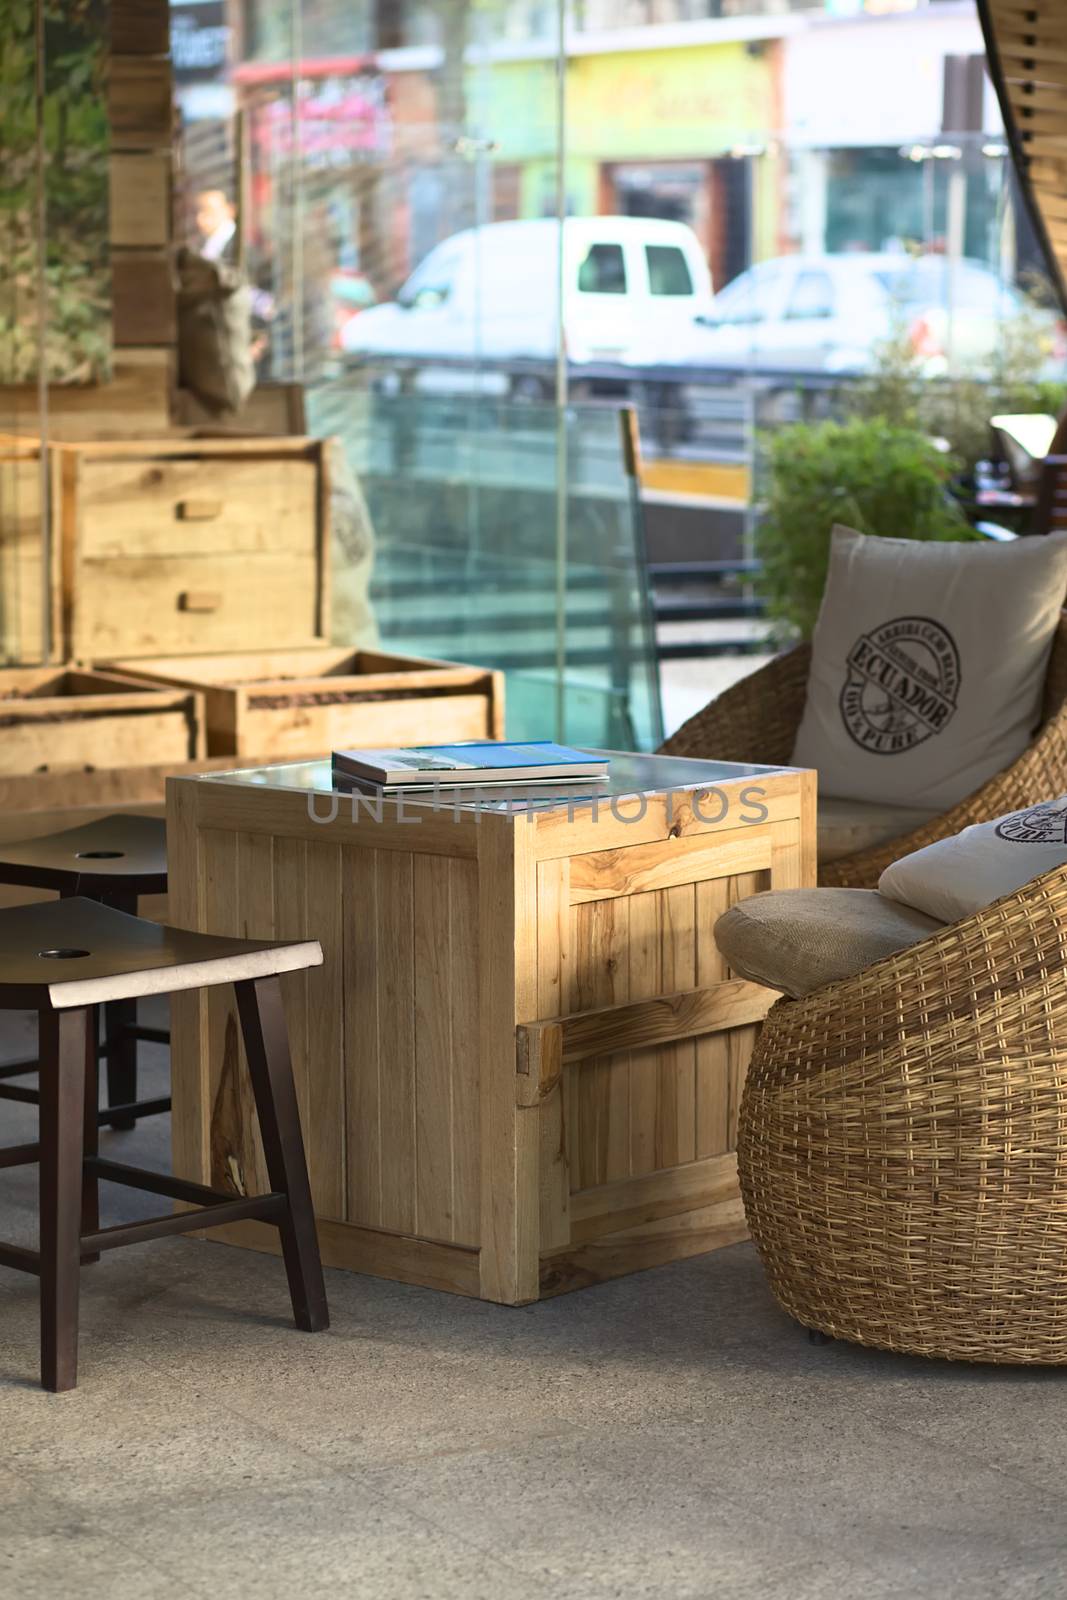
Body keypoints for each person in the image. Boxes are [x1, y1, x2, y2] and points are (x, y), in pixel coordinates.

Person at [195, 189, 237, 262]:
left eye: (207, 210)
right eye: (197, 211)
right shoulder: (198, 244)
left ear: (230, 210)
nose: (199, 218)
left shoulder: (241, 249)